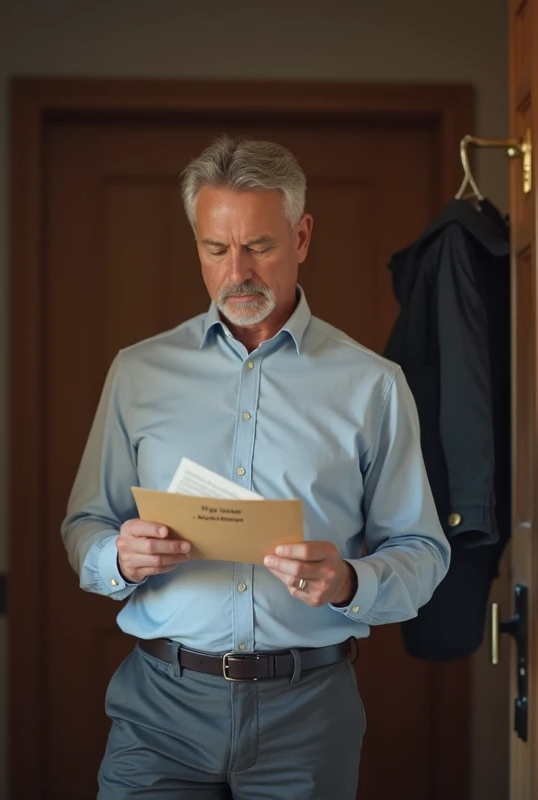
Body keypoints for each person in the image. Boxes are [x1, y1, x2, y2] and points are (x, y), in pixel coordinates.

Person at [62, 135, 451, 799]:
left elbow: (423, 551)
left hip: (307, 710)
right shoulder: (138, 372)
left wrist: (349, 580)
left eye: (259, 247)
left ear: (301, 237)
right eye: (216, 249)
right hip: (158, 708)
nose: (236, 271)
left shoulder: (372, 385)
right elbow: (86, 525)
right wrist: (119, 557)